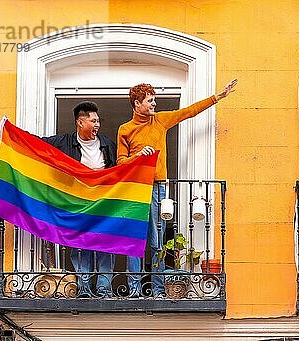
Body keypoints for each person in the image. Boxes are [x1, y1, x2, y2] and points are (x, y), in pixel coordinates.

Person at [117, 79, 238, 297]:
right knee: (133, 239)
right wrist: (137, 156)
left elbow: (188, 112)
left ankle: (156, 289)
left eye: (154, 100)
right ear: (137, 104)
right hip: (134, 189)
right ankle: (134, 290)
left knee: (157, 241)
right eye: (150, 101)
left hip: (157, 188)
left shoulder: (160, 121)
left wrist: (218, 97)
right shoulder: (125, 129)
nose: (154, 104)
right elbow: (120, 163)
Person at [42, 101, 117, 298]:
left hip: (103, 203)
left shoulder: (107, 144)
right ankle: (84, 288)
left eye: (98, 121)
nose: (97, 124)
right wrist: (14, 134)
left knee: (106, 244)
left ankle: (104, 289)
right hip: (78, 203)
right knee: (80, 245)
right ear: (80, 122)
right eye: (93, 121)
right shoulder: (64, 142)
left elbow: (121, 167)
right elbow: (38, 144)